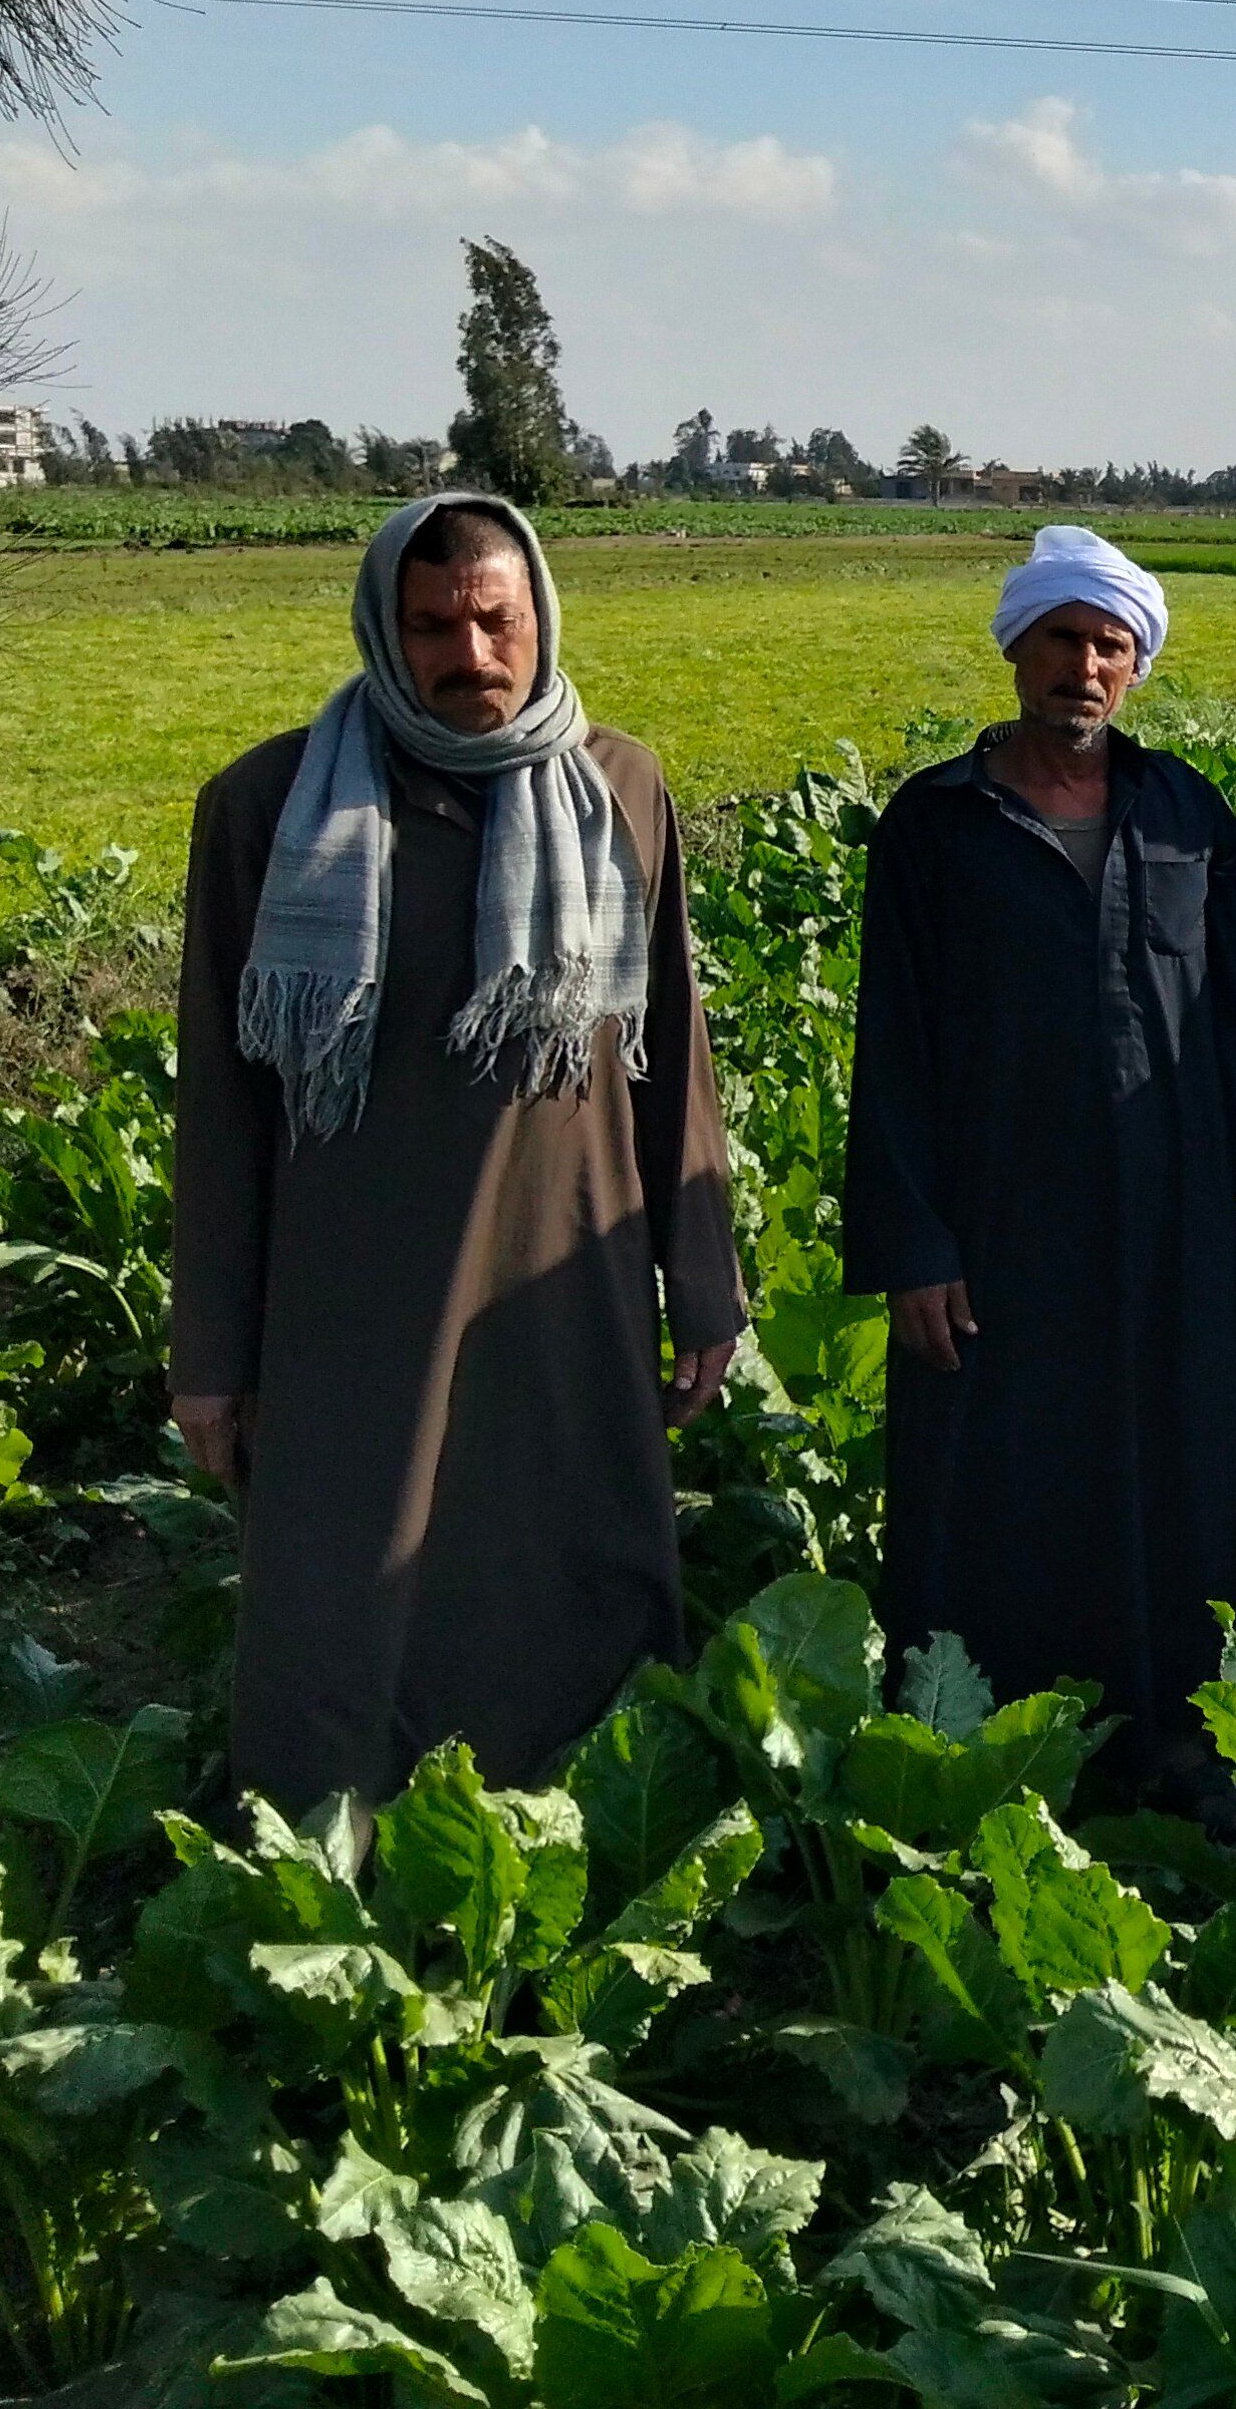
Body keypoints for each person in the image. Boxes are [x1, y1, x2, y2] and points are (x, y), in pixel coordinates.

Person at [172, 493, 743, 1818]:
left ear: (540, 617)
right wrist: (212, 1356)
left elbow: (671, 1050)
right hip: (352, 1298)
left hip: (565, 1281)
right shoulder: (270, 811)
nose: (469, 656)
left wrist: (702, 1281)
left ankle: (569, 1851)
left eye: (495, 620)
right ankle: (335, 1867)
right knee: (344, 1599)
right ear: (385, 630)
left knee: (566, 1569)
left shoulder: (621, 789)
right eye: (432, 626)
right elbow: (223, 1104)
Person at [848, 525, 1236, 1792]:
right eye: (1063, 639)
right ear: (1016, 650)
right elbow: (892, 1046)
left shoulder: (1187, 815)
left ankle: (1184, 1744)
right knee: (1003, 1484)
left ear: (1137, 667)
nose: (1084, 667)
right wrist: (915, 1246)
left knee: (1177, 1466)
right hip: (997, 1229)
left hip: (1164, 1220)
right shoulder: (936, 826)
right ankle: (996, 1749)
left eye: (1110, 645)